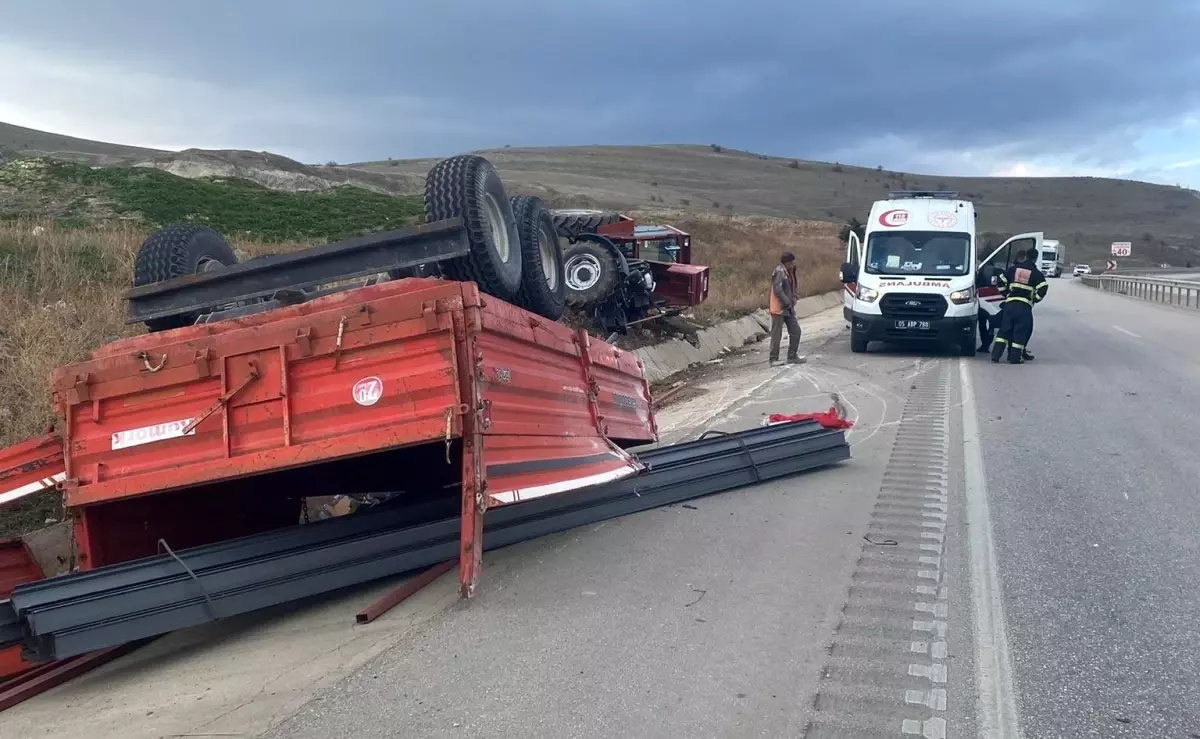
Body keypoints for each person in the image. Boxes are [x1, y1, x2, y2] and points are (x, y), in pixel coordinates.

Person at [990, 247, 1048, 364]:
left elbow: (1000, 280)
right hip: (1024, 307)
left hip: (1010, 304)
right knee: (1020, 332)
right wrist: (1035, 299)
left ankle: (995, 355)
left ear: (1026, 256)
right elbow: (1043, 287)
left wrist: (1005, 293)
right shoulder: (1036, 273)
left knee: (1004, 331)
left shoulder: (1013, 269)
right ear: (1035, 258)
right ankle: (1015, 358)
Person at [768, 251, 806, 365]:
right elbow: (777, 290)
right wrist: (787, 301)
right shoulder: (779, 272)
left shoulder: (788, 272)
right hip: (778, 308)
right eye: (792, 262)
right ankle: (773, 359)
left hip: (788, 308)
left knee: (796, 331)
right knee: (776, 335)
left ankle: (792, 356)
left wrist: (794, 296)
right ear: (788, 262)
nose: (794, 264)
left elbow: (790, 287)